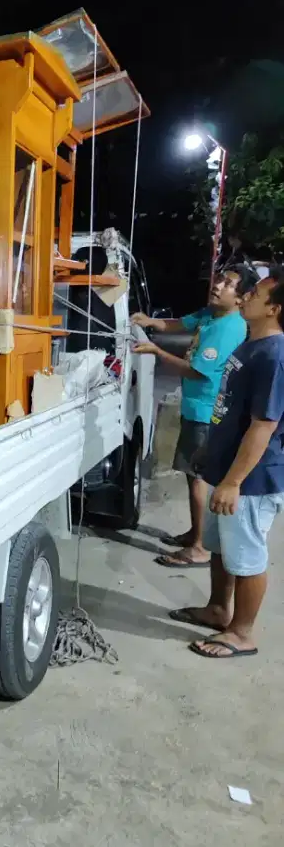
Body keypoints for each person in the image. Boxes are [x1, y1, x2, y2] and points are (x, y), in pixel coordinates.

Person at [169, 271, 284, 658]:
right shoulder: (251, 343)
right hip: (225, 467)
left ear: (274, 309)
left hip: (252, 480)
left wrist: (234, 482)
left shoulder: (273, 356)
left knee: (247, 556)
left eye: (256, 293)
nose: (246, 296)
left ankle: (242, 633)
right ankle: (219, 610)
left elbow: (263, 426)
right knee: (221, 547)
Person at [131, 268, 257, 566]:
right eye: (220, 279)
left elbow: (197, 370)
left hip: (206, 413)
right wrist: (151, 322)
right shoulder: (210, 315)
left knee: (198, 478)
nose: (219, 285)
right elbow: (180, 324)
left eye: (229, 285)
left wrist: (156, 352)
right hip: (195, 407)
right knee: (191, 476)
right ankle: (195, 533)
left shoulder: (228, 328)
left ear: (240, 299)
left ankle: (199, 547)